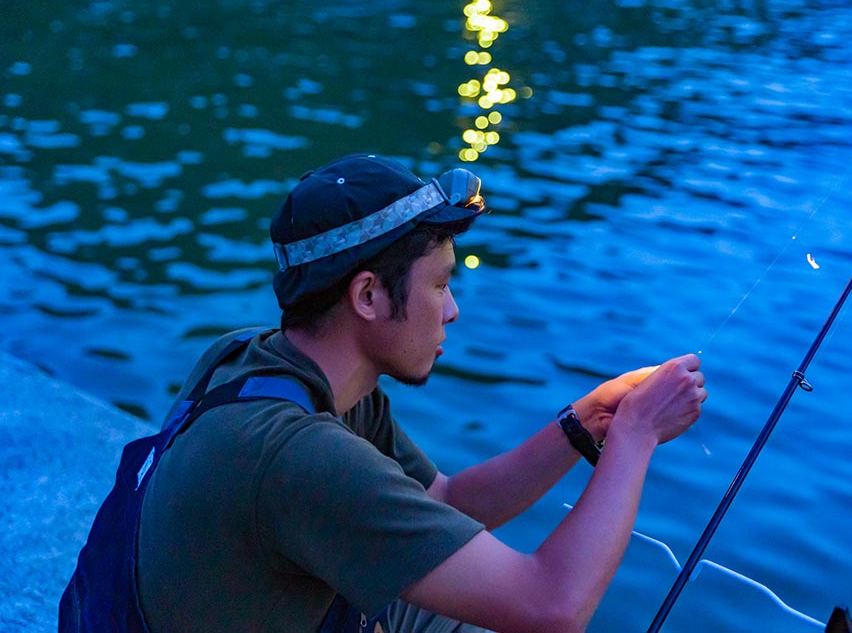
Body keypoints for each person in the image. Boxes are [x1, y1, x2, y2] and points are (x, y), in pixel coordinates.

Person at [62, 153, 707, 633]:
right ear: (368, 295)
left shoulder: (265, 365)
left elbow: (448, 502)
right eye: (439, 285)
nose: (452, 310)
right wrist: (636, 437)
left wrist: (584, 422)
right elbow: (552, 605)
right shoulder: (296, 455)